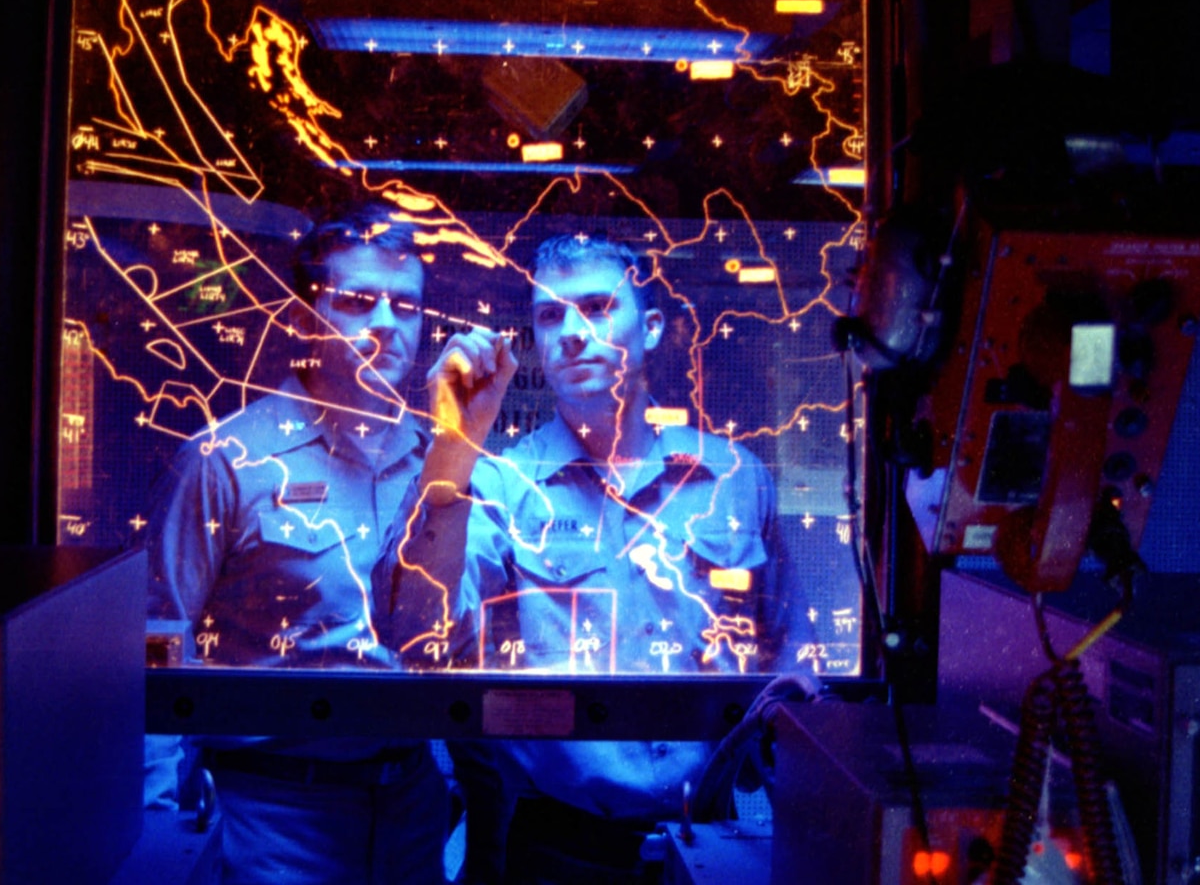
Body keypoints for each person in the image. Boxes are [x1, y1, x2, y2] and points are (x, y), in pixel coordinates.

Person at [374, 232, 807, 884]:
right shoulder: (498, 483)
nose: (572, 332)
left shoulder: (732, 477)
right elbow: (418, 638)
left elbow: (791, 654)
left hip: (716, 843)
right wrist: (451, 449)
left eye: (599, 307)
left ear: (652, 326)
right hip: (555, 848)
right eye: (550, 315)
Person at [150, 202, 448, 885]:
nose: (384, 326)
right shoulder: (226, 462)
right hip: (270, 815)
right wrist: (158, 831)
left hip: (409, 811)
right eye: (357, 302)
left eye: (404, 308)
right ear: (303, 316)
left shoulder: (440, 465)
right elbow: (155, 644)